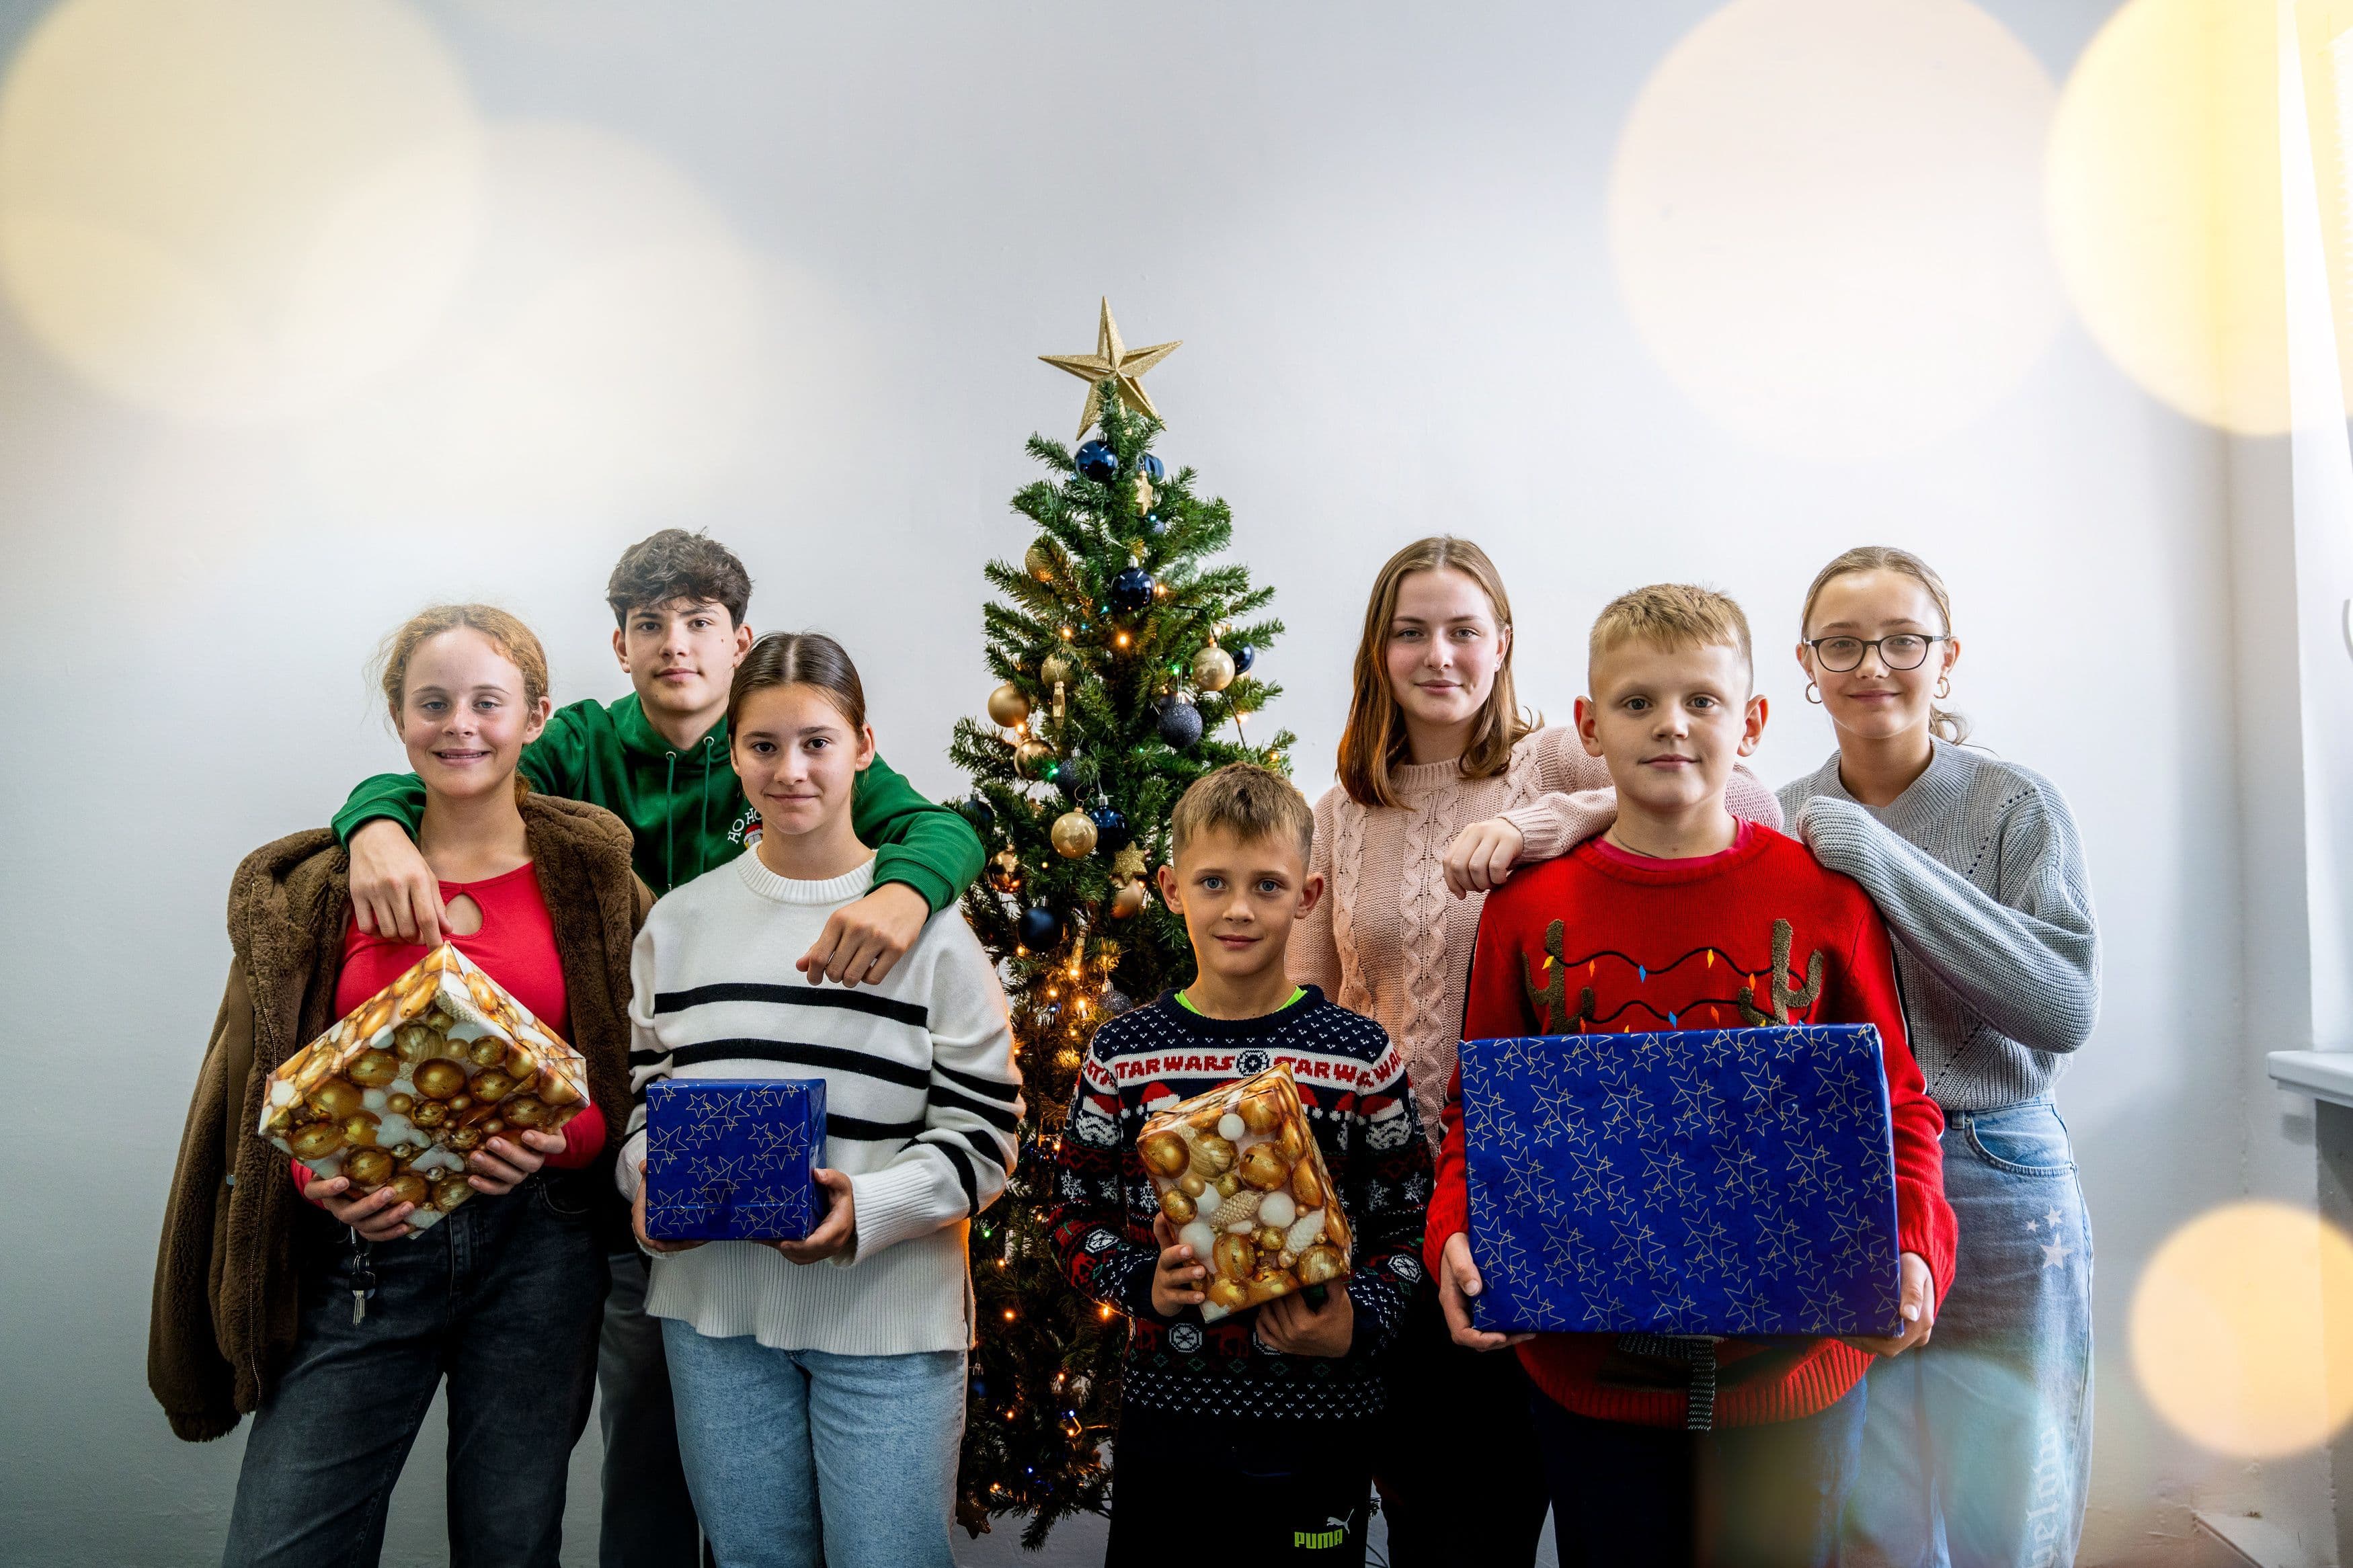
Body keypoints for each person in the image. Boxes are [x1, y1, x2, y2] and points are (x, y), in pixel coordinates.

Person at [327, 531, 984, 1567]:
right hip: (612, 1162)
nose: (676, 645)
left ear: (740, 642)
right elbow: (454, 767)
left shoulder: (785, 745)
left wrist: (906, 893)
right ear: (621, 646)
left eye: (699, 622)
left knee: (763, 1480)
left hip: (805, 1194)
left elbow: (942, 830)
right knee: (649, 1434)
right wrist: (372, 824)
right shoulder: (576, 746)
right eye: (650, 625)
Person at [1426, 583, 1958, 1568]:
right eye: (1637, 702)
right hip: (1592, 1380)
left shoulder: (1826, 898)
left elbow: (1897, 1106)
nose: (1670, 724)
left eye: (1701, 701)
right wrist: (1451, 1229)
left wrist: (1916, 1248)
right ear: (1590, 725)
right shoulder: (1523, 911)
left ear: (1750, 722)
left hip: (1791, 1381)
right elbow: (1479, 1111)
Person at [1287, 535, 1784, 1566]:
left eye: (1464, 631)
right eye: (1411, 632)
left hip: (1543, 1194)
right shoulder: (1339, 811)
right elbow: (1309, 1019)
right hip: (1391, 1212)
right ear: (1378, 650)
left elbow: (1747, 803)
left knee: (1594, 1509)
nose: (1439, 655)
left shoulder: (1555, 757)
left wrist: (1552, 819)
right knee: (1447, 1526)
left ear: (1503, 643)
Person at [150, 605, 647, 1567]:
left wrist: (573, 1138)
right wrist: (314, 1177)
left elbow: (633, 1070)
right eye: (433, 702)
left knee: (511, 1544)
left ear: (536, 716)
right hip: (363, 1258)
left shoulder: (596, 879)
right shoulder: (326, 883)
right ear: (399, 717)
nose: (461, 724)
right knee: (282, 1546)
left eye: (488, 702)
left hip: (542, 1253)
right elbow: (265, 1078)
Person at [616, 632, 1021, 1568]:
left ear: (864, 747)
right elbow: (645, 1097)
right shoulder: (677, 922)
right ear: (732, 752)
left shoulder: (930, 928)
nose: (789, 770)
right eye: (763, 745)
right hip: (712, 1314)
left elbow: (987, 1133)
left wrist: (868, 1207)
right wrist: (649, 1181)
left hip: (888, 1319)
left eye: (816, 743)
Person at [1779, 547, 2100, 1568]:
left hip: (1999, 1171)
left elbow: (2061, 1005)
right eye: (1842, 643)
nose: (1872, 664)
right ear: (1806, 664)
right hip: (1850, 1180)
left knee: (2011, 1508)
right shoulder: (1777, 815)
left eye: (1902, 640)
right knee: (1870, 1521)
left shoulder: (2012, 804)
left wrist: (1878, 857)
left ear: (1946, 657)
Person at [1047, 764, 1433, 1568]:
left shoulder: (1358, 1054)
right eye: (1213, 881)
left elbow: (1409, 1227)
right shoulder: (1122, 1052)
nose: (1238, 908)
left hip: (1322, 1424)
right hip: (1169, 1424)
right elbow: (1072, 1213)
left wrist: (1356, 1321)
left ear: (1308, 895)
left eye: (1267, 885)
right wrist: (1141, 1282)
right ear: (1170, 888)